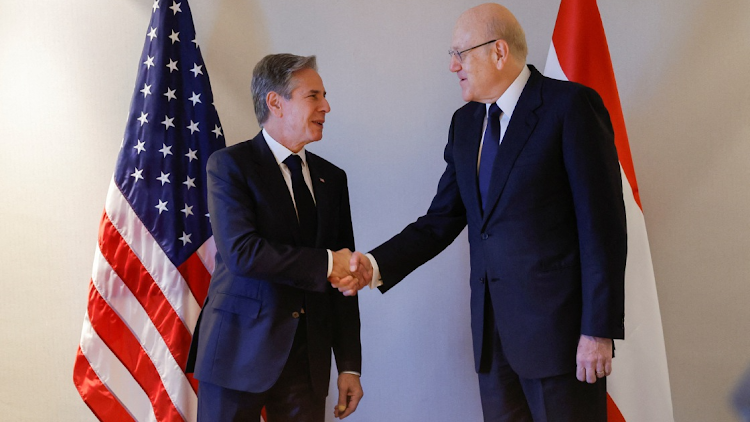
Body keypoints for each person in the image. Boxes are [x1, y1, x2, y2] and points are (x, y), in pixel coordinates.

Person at [340, 3, 627, 421]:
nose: (453, 66)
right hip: (492, 344)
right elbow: (440, 221)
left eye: (461, 53)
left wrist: (597, 329)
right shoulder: (465, 124)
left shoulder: (570, 107)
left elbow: (603, 227)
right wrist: (373, 263)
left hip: (562, 341)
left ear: (498, 52)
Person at [185, 53, 365, 421]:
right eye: (313, 96)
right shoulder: (229, 166)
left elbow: (345, 279)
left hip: (306, 363)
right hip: (237, 352)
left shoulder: (334, 179)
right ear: (275, 103)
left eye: (323, 96)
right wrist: (329, 263)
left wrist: (349, 364)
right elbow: (243, 253)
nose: (326, 106)